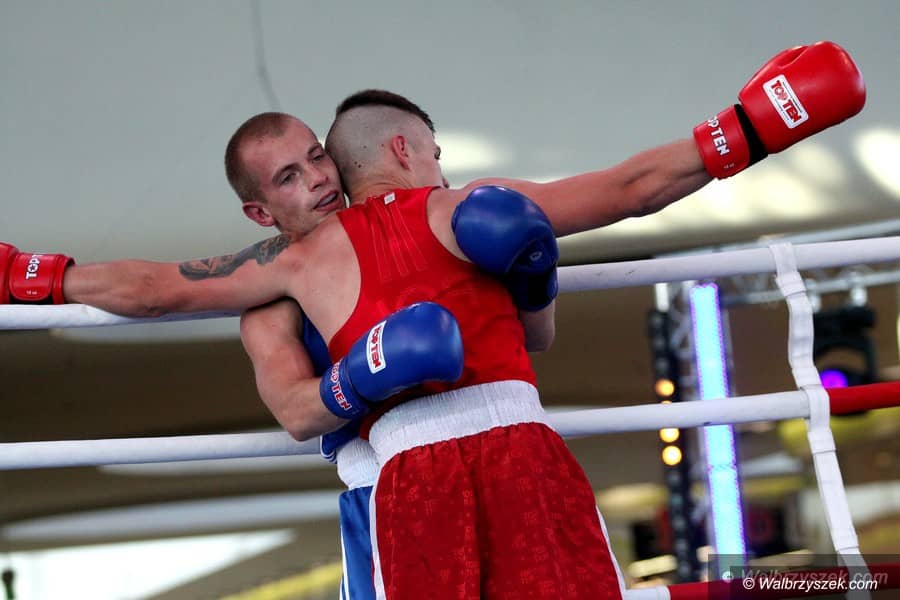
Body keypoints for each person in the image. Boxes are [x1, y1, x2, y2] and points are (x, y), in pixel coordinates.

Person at [1, 41, 865, 598]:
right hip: (408, 470)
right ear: (408, 148)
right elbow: (156, 287)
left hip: (513, 445)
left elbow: (623, 199)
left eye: (317, 160)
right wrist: (28, 277)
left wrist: (753, 126)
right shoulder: (290, 267)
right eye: (292, 176)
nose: (318, 179)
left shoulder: (462, 213)